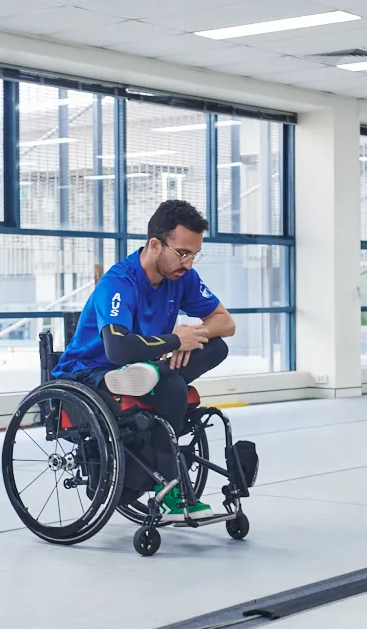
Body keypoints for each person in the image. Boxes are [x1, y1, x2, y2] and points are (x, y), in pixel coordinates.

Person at [52, 199, 236, 521]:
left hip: (144, 364)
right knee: (172, 386)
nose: (188, 264)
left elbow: (225, 322)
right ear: (155, 244)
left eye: (194, 255)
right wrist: (176, 341)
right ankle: (170, 488)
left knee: (216, 347)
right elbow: (118, 349)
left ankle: (152, 372)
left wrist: (194, 334)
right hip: (94, 371)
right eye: (182, 253)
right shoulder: (118, 283)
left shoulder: (181, 277)